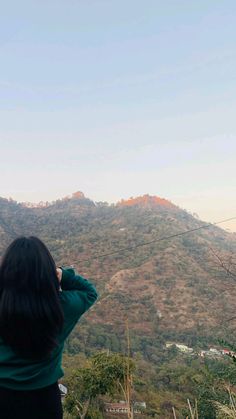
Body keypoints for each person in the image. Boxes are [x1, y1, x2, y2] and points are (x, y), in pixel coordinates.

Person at [0, 236, 98, 419]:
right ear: (48, 273)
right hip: (44, 400)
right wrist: (63, 274)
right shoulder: (62, 307)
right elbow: (90, 292)